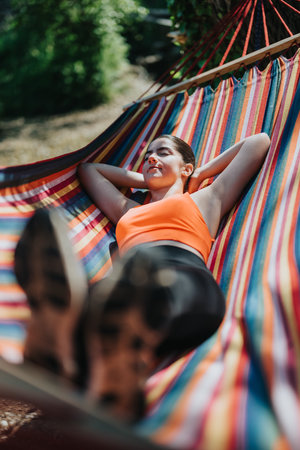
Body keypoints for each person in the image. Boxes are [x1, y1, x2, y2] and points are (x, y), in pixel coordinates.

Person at [14, 133, 270, 422]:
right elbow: (89, 170)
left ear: (186, 167)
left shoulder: (206, 198)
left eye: (163, 153)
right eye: (148, 154)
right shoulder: (128, 210)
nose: (151, 158)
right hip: (126, 281)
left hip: (183, 272)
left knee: (133, 296)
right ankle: (76, 343)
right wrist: (148, 177)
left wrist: (198, 174)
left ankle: (72, 339)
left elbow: (258, 142)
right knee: (111, 297)